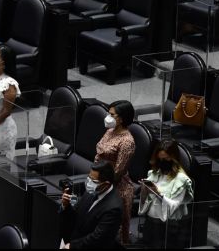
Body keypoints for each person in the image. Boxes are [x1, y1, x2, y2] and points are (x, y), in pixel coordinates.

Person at [138, 140, 195, 249]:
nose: (162, 162)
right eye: (160, 159)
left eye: (166, 159)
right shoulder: (154, 174)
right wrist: (145, 190)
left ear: (174, 158)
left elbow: (174, 205)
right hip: (151, 223)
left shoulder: (182, 180)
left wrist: (158, 193)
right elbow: (145, 202)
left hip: (168, 227)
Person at [95, 100, 136, 245]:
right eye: (108, 113)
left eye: (112, 114)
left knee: (114, 233)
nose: (108, 117)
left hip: (116, 188)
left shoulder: (127, 141)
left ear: (122, 118)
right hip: (100, 180)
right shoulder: (109, 131)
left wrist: (103, 186)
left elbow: (118, 171)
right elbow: (99, 153)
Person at [59, 160, 122, 249]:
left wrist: (72, 246)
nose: (89, 183)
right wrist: (66, 205)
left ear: (106, 184)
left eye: (93, 181)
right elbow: (76, 215)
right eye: (89, 178)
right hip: (73, 241)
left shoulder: (114, 208)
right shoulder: (92, 191)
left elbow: (97, 238)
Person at [0, 45, 20, 159]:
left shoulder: (9, 84)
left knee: (1, 167)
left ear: (5, 62)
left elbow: (6, 111)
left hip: (0, 128)